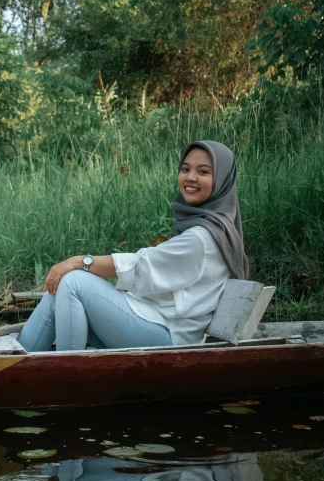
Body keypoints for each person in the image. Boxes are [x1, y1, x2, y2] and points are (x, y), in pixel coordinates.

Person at [18, 140, 249, 351]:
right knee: (58, 288)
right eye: (185, 169)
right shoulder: (214, 228)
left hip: (170, 337)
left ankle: (70, 380)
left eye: (203, 172)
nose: (190, 177)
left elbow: (141, 267)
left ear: (221, 180)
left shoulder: (202, 238)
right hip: (155, 319)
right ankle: (13, 363)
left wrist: (80, 261)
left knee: (73, 282)